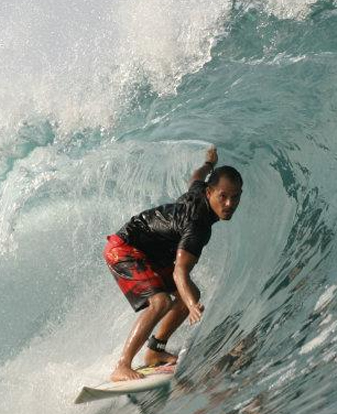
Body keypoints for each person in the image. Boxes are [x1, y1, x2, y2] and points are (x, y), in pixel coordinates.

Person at [103, 145, 243, 381]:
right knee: (160, 301)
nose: (230, 203)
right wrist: (190, 305)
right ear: (210, 193)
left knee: (191, 292)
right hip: (124, 247)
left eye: (236, 197)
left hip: (150, 253)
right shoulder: (197, 226)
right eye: (224, 196)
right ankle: (122, 365)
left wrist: (209, 164)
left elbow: (196, 177)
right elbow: (180, 272)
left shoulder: (201, 191)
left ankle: (154, 351)